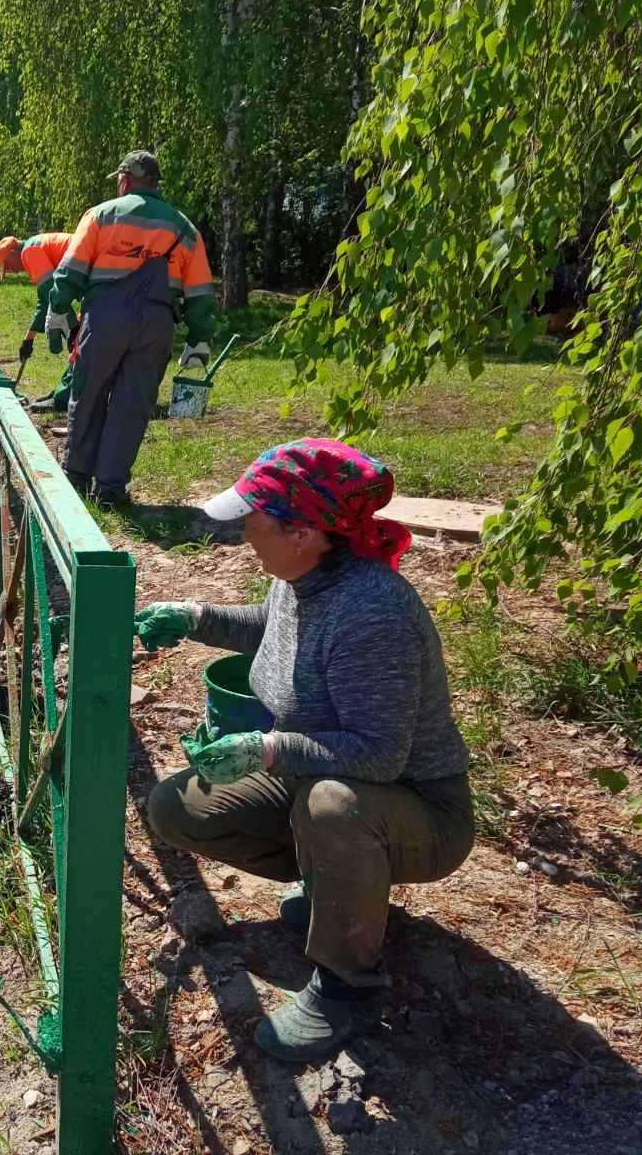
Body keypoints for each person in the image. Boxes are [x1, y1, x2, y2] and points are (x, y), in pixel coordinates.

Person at [139, 439, 474, 1062]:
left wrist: (269, 749)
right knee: (176, 808)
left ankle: (349, 986)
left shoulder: (371, 612)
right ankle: (338, 887)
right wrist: (194, 617)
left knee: (331, 807)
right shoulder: (302, 578)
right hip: (329, 773)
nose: (242, 531)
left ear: (304, 532)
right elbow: (270, 629)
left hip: (416, 807)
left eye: (253, 520)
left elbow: (380, 758)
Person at [47, 150, 217, 506]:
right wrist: (200, 339)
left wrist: (59, 310)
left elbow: (71, 270)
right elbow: (200, 292)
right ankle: (109, 489)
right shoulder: (184, 228)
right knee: (133, 404)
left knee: (89, 392)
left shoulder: (101, 216)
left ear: (124, 180)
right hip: (156, 323)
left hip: (105, 318)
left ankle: (76, 477)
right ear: (156, 183)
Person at [0, 232, 79, 413]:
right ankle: (62, 393)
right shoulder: (34, 246)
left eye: (8, 266)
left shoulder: (30, 251)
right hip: (88, 280)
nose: (13, 272)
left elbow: (49, 297)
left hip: (95, 278)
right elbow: (49, 297)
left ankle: (63, 398)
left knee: (81, 343)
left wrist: (72, 327)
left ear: (14, 252)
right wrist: (28, 340)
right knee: (81, 343)